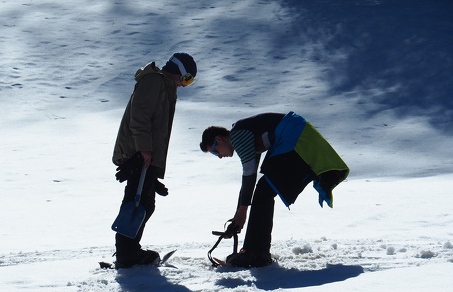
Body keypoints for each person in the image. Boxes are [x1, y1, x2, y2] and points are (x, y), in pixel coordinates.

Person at [200, 112, 349, 268]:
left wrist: (242, 212)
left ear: (219, 139)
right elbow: (248, 181)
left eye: (215, 151)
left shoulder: (237, 135)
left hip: (294, 138)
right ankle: (257, 251)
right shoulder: (243, 134)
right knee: (264, 190)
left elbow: (249, 175)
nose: (219, 156)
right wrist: (238, 215)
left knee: (264, 191)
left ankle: (256, 253)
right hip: (294, 136)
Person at [111, 53, 197, 269]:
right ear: (178, 72)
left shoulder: (164, 87)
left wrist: (154, 168)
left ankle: (129, 250)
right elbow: (139, 117)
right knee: (136, 203)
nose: (186, 85)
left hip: (146, 155)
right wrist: (144, 149)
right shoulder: (153, 82)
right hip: (139, 153)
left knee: (144, 203)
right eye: (187, 79)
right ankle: (126, 253)